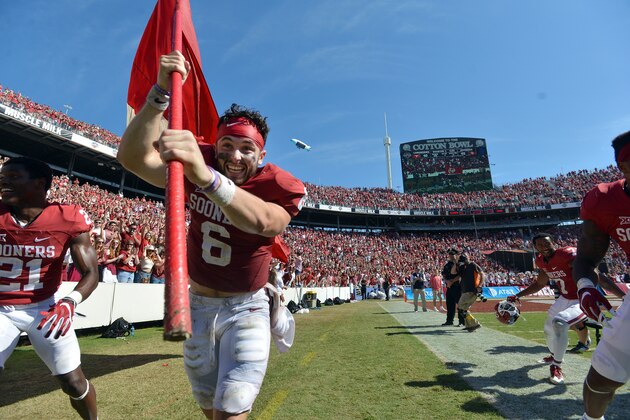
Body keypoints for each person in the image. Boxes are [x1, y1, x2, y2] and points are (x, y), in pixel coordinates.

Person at [117, 50, 306, 419]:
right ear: (215, 145)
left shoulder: (276, 183)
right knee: (208, 404)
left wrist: (207, 178)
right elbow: (134, 160)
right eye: (227, 146)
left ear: (262, 155)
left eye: (246, 149)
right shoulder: (200, 161)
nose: (235, 156)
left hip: (246, 306)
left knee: (232, 408)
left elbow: (267, 223)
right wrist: (158, 95)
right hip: (198, 304)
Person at [0, 157, 98, 419]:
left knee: (73, 382)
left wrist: (70, 301)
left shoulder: (67, 218)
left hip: (45, 309)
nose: (3, 182)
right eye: (2, 177)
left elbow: (91, 272)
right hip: (1, 308)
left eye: (13, 177)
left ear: (39, 183)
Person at [572, 131, 630, 420]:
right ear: (624, 166)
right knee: (601, 379)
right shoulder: (604, 200)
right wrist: (585, 286)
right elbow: (585, 258)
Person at [509, 233, 592, 385]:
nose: (544, 247)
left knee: (559, 324)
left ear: (553, 242)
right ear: (535, 248)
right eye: (540, 245)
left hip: (581, 297)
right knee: (548, 327)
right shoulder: (540, 260)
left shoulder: (566, 253)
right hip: (565, 298)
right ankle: (554, 355)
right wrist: (518, 295)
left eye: (547, 243)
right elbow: (540, 284)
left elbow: (584, 267)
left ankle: (557, 366)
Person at [456, 253, 484, 332]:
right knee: (465, 310)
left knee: (461, 308)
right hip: (467, 291)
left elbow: (482, 274)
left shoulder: (472, 265)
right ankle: (469, 326)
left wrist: (480, 285)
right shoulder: (463, 267)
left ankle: (475, 323)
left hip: (470, 291)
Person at [441, 248, 465, 326]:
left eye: (452, 254)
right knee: (450, 304)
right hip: (449, 287)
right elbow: (444, 275)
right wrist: (447, 282)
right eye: (450, 254)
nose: (451, 256)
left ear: (456, 255)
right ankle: (449, 320)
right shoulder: (447, 265)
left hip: (457, 287)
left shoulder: (459, 264)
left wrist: (452, 281)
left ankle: (462, 321)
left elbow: (460, 275)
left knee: (460, 304)